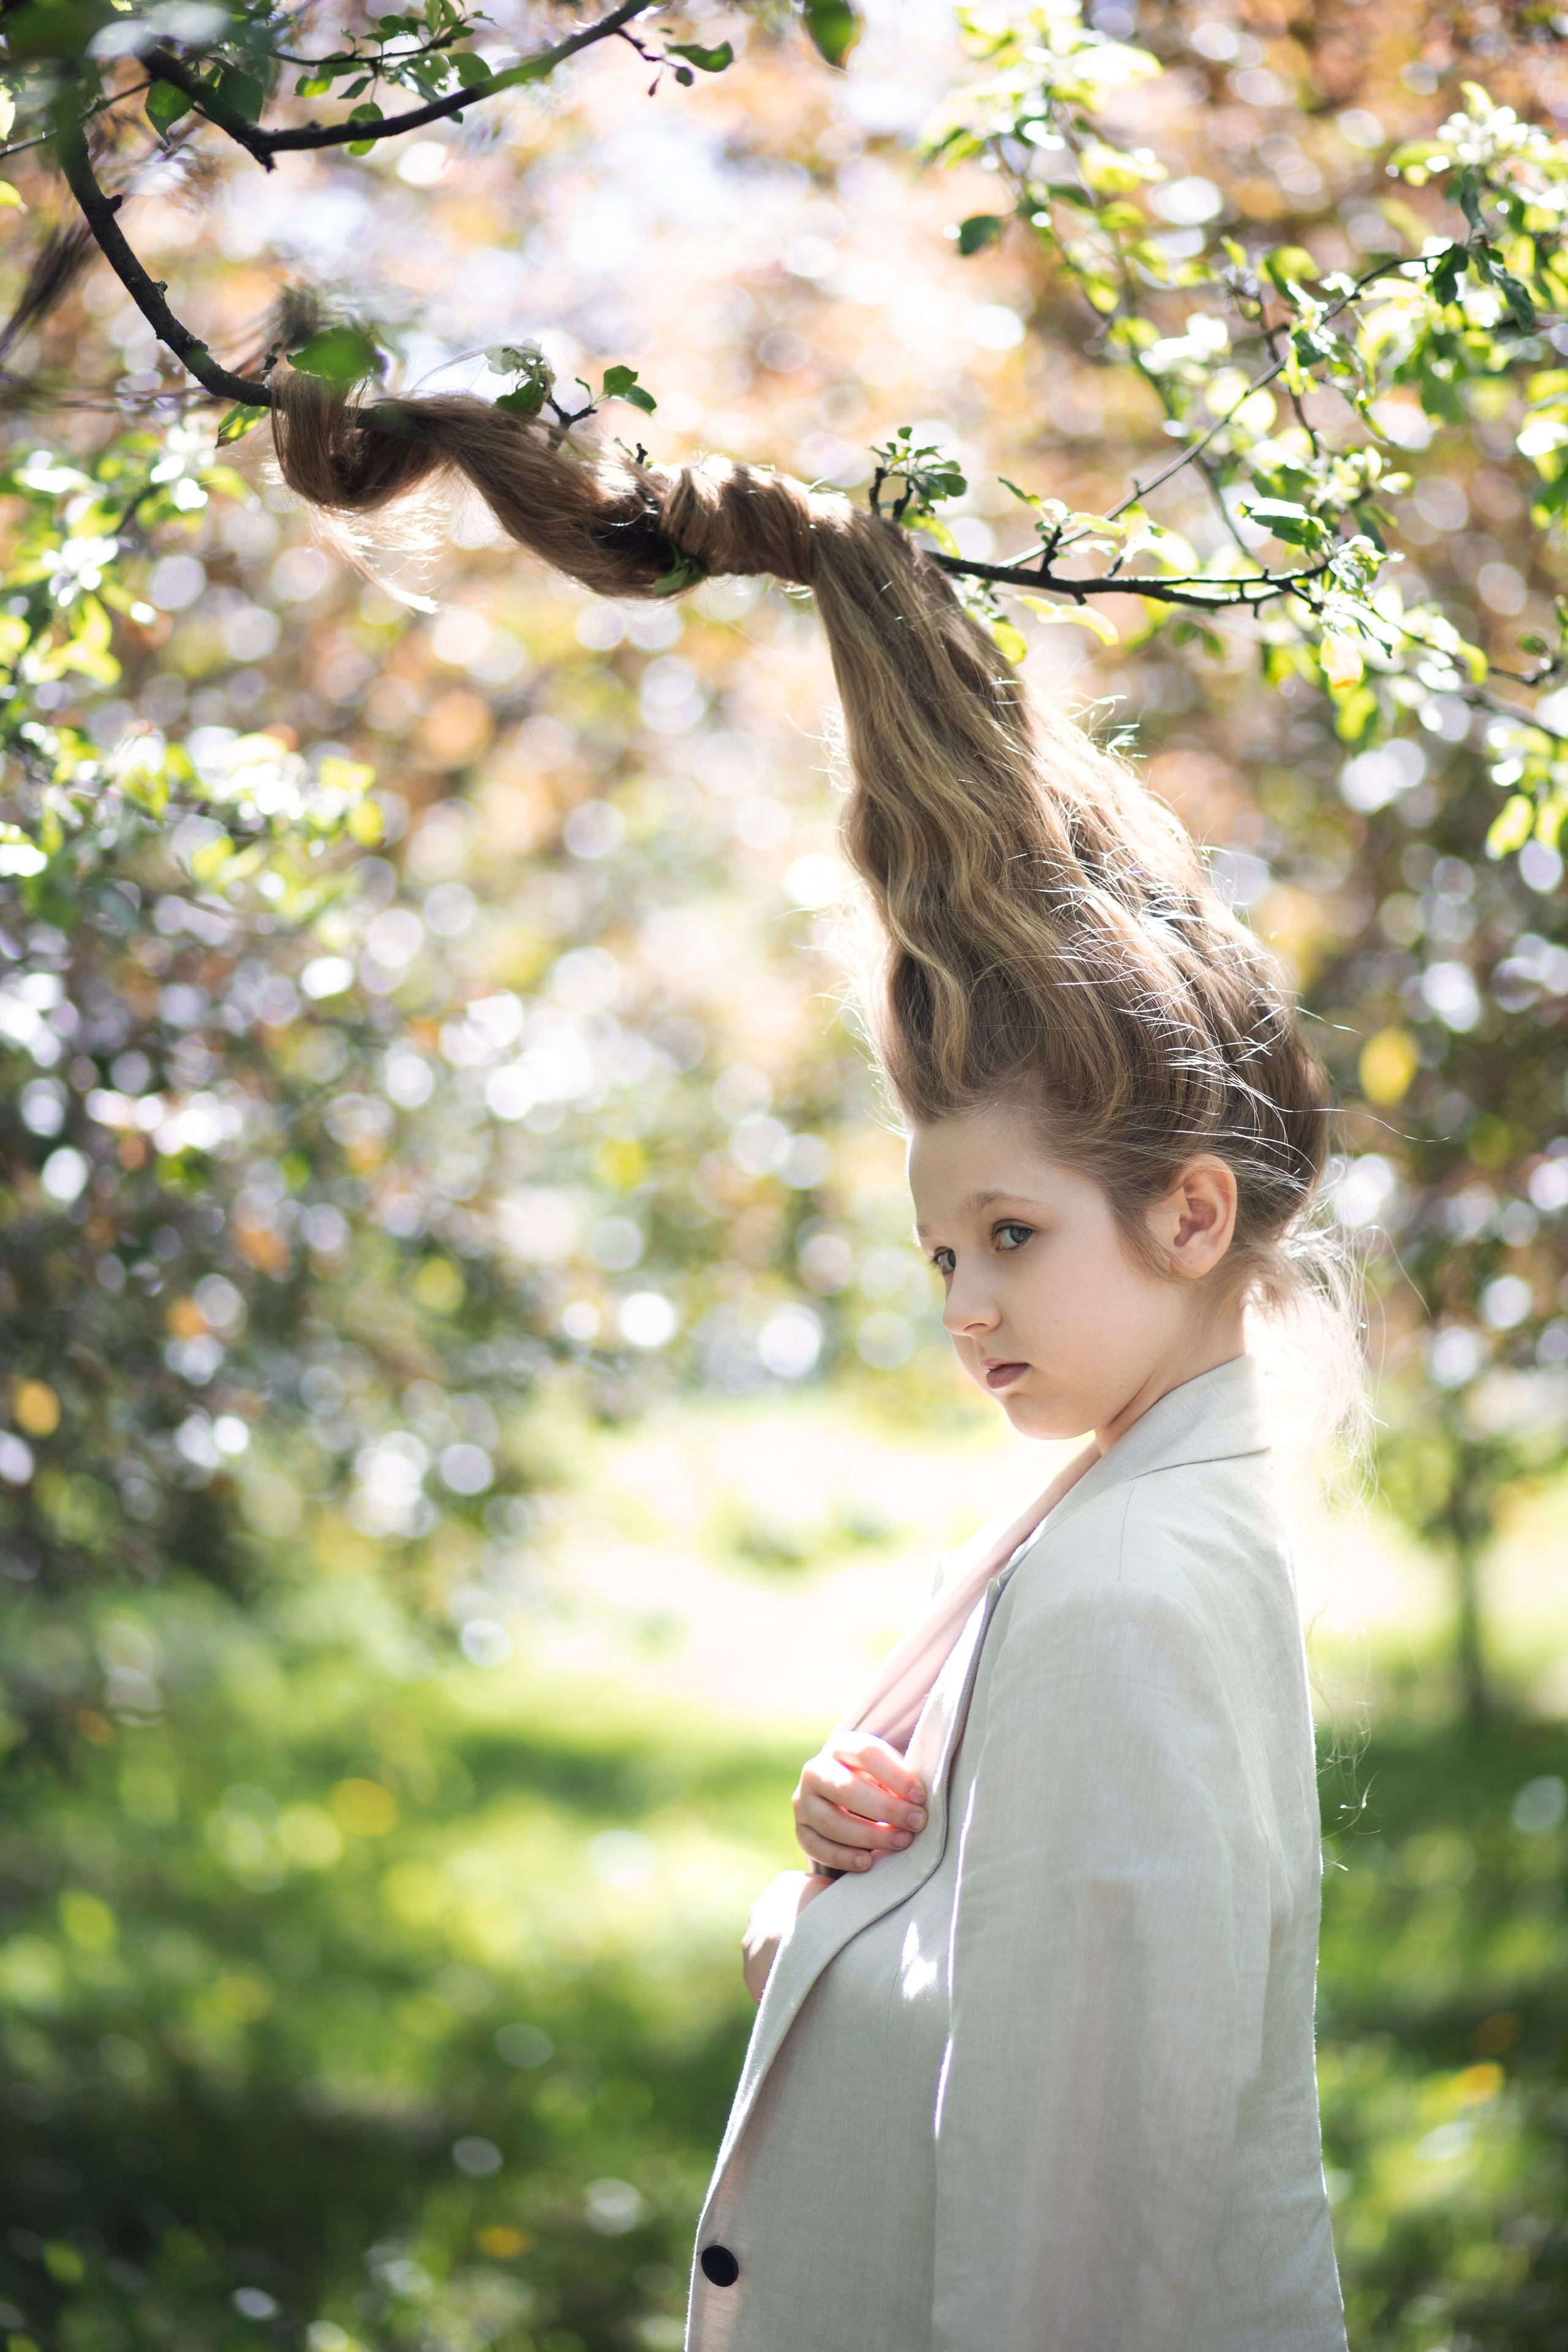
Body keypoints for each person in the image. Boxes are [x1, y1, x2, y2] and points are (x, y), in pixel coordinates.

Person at [270, 371, 1352, 2351]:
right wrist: (865, 1895)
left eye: (1013, 1237)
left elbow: (1095, 2230)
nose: (967, 1306)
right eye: (944, 1248)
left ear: (1193, 1213)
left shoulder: (1127, 1585)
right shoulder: (1107, 1502)